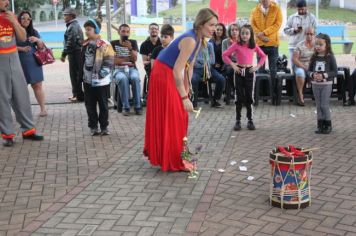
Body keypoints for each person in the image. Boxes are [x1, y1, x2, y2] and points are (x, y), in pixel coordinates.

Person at [144, 8, 218, 171]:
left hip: (171, 73)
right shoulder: (191, 40)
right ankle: (173, 159)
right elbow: (178, 69)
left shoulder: (200, 40)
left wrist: (187, 87)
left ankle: (175, 154)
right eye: (212, 25)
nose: (215, 29)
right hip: (163, 74)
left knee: (180, 116)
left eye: (215, 25)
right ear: (201, 24)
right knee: (175, 115)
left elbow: (189, 66)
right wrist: (184, 98)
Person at [0, 1, 43, 147]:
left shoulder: (10, 15)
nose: (6, 2)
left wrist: (15, 22)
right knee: (2, 98)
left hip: (14, 58)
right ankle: (7, 135)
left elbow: (22, 37)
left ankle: (28, 130)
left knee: (21, 94)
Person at [223, 24, 266, 131]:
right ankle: (238, 120)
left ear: (250, 35)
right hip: (238, 72)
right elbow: (225, 55)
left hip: (250, 72)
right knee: (239, 97)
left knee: (249, 96)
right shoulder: (236, 45)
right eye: (242, 33)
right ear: (240, 34)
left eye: (247, 33)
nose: (244, 35)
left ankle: (250, 120)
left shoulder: (253, 45)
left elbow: (263, 56)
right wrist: (233, 65)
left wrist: (257, 67)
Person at [79, 19, 114, 136]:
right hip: (87, 81)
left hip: (101, 82)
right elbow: (82, 62)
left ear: (96, 30)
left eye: (89, 29)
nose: (87, 32)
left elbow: (109, 62)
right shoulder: (84, 44)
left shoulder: (105, 44)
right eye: (86, 30)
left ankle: (104, 126)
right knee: (90, 105)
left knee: (103, 105)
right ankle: (93, 126)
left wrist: (100, 75)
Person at [250, 0, 283, 105]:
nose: (264, 1)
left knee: (274, 70)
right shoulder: (255, 10)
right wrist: (259, 35)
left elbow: (278, 24)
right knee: (260, 70)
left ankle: (274, 95)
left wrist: (264, 33)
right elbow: (252, 24)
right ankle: (261, 94)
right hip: (260, 44)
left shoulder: (276, 9)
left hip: (273, 44)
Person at [17, 11, 47, 117]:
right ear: (19, 19)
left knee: (37, 86)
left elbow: (41, 48)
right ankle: (23, 112)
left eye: (28, 19)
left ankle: (43, 109)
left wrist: (37, 40)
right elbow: (6, 47)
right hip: (18, 62)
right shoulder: (13, 31)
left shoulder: (33, 31)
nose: (26, 20)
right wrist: (21, 48)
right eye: (23, 18)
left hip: (34, 62)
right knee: (20, 88)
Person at [308, 33, 338, 134]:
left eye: (321, 44)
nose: (318, 46)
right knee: (318, 105)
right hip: (315, 85)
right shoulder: (314, 57)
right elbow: (308, 71)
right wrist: (312, 75)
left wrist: (324, 75)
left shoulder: (330, 57)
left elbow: (335, 71)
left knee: (324, 105)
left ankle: (328, 125)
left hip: (326, 85)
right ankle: (320, 125)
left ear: (327, 45)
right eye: (316, 44)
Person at [111, 24, 142, 116]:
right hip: (118, 70)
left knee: (135, 78)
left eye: (127, 32)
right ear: (119, 32)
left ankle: (138, 106)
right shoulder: (113, 43)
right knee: (123, 79)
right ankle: (126, 107)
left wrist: (130, 48)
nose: (125, 33)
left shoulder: (133, 42)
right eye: (123, 31)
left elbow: (134, 59)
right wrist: (126, 59)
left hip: (132, 69)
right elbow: (113, 61)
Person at [191, 40, 225, 108]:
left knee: (221, 79)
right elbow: (191, 60)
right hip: (196, 69)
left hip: (209, 69)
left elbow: (213, 61)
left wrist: (200, 61)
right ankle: (193, 102)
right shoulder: (192, 44)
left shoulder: (209, 45)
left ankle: (215, 100)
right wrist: (202, 61)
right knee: (193, 80)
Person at [60, 8, 84, 102]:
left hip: (75, 53)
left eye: (66, 15)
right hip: (76, 53)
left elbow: (70, 42)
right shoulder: (73, 25)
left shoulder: (72, 26)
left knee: (75, 75)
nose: (64, 17)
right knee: (76, 75)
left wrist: (63, 54)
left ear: (71, 16)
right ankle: (78, 94)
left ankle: (78, 96)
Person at [283, 0, 316, 68]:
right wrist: (294, 30)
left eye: (302, 9)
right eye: (299, 9)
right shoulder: (292, 17)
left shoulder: (311, 17)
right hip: (293, 46)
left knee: (308, 66)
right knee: (294, 67)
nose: (300, 11)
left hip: (307, 46)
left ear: (306, 8)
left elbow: (315, 31)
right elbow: (285, 30)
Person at [292, 27, 315, 106]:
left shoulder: (317, 45)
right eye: (307, 34)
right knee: (300, 73)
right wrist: (304, 67)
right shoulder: (299, 45)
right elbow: (294, 59)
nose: (309, 36)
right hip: (300, 65)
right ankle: (300, 95)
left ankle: (318, 95)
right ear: (304, 35)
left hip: (313, 66)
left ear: (314, 35)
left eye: (311, 34)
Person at [222, 23, 239, 105]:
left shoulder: (242, 42)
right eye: (232, 30)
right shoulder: (225, 42)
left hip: (240, 63)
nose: (234, 32)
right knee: (230, 70)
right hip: (228, 63)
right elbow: (224, 56)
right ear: (229, 31)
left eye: (236, 30)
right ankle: (235, 90)